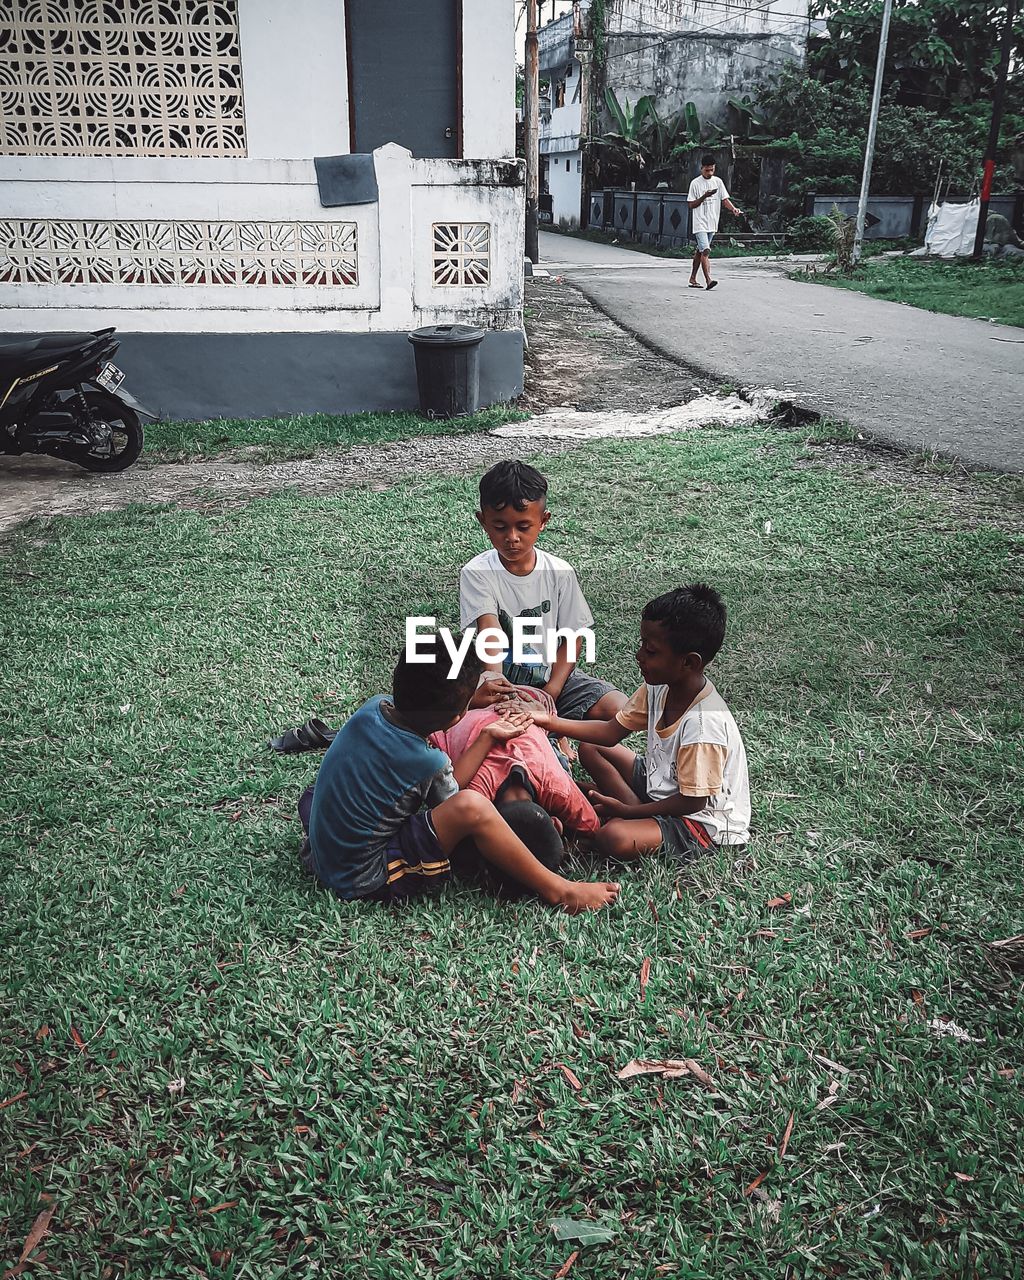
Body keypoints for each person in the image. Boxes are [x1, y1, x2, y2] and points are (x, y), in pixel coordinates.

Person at [298, 635, 620, 912]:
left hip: (323, 846)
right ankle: (558, 889)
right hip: (362, 875)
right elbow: (463, 809)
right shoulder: (427, 762)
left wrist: (482, 731)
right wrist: (484, 731)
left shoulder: (374, 706)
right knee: (474, 807)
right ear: (458, 714)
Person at [508, 584, 750, 862]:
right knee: (591, 748)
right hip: (663, 782)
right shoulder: (661, 686)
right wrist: (548, 720)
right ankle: (632, 810)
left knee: (615, 837)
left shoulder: (703, 726)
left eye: (651, 651)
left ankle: (625, 818)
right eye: (642, 645)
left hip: (701, 821)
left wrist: (627, 812)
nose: (639, 656)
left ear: (689, 662)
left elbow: (693, 801)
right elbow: (610, 732)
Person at [460, 460, 626, 722]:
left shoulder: (559, 571)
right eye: (500, 526)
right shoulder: (477, 572)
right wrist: (499, 687)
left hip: (551, 677)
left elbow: (573, 637)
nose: (512, 537)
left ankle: (558, 729)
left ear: (543, 521)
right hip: (497, 683)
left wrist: (552, 692)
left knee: (618, 709)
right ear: (483, 521)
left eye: (523, 527)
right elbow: (489, 632)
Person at [687, 154, 743, 291]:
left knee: (700, 252)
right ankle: (708, 280)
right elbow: (691, 205)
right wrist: (704, 196)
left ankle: (693, 278)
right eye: (707, 170)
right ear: (702, 168)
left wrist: (734, 209)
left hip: (712, 223)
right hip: (699, 223)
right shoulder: (695, 183)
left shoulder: (718, 182)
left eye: (712, 170)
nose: (710, 173)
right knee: (705, 250)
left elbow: (724, 200)